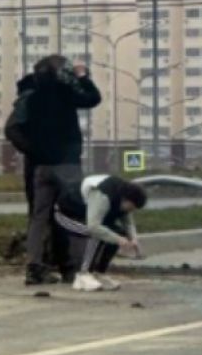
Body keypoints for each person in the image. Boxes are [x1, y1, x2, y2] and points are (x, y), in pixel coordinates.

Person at [22, 55, 102, 286]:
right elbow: (93, 99)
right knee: (75, 213)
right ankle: (78, 268)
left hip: (42, 166)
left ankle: (34, 267)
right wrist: (82, 76)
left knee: (39, 218)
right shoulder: (65, 93)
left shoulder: (33, 98)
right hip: (67, 165)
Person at [54, 175, 147, 292]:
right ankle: (83, 275)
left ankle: (99, 273)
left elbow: (127, 222)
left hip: (87, 216)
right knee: (96, 234)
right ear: (125, 199)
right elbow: (93, 227)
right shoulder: (103, 195)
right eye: (131, 207)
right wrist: (118, 240)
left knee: (117, 233)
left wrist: (133, 239)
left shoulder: (124, 195)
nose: (130, 211)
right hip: (67, 215)